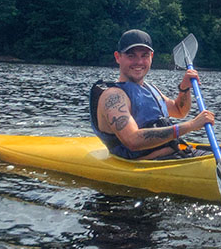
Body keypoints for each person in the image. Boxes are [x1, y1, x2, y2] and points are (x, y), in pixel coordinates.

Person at [89, 29, 214, 160]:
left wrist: (184, 89)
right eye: (131, 56)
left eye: (144, 55)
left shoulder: (149, 88)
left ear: (151, 57)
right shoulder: (113, 96)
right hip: (148, 164)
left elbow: (179, 111)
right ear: (118, 57)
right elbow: (132, 140)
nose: (139, 62)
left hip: (177, 154)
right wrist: (190, 126)